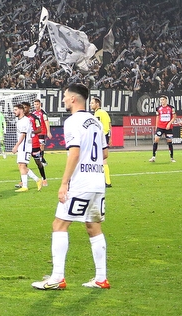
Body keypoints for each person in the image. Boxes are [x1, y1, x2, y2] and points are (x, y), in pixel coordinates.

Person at [32, 83, 109, 290]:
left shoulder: (73, 121)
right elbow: (105, 154)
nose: (64, 99)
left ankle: (57, 277)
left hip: (81, 183)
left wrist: (64, 183)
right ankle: (101, 278)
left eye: (65, 96)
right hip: (97, 182)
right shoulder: (95, 121)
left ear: (74, 99)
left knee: (59, 225)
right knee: (93, 227)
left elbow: (74, 153)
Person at [13, 103, 43, 192]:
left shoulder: (25, 120)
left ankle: (25, 186)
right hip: (22, 146)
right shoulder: (20, 120)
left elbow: (23, 134)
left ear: (21, 110)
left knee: (22, 165)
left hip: (25, 146)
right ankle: (37, 180)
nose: (14, 112)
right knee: (21, 166)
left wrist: (16, 145)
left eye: (15, 110)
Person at [90, 97, 113, 186]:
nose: (90, 104)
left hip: (100, 138)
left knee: (100, 160)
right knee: (102, 159)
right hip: (105, 136)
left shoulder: (98, 114)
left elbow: (97, 127)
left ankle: (106, 181)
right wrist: (110, 137)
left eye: (92, 103)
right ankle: (106, 181)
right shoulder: (105, 113)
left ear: (97, 104)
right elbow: (109, 125)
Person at [26, 102, 49, 188]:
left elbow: (39, 129)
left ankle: (44, 178)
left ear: (29, 108)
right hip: (26, 144)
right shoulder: (22, 118)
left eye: (25, 107)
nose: (24, 109)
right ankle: (23, 182)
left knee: (38, 163)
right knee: (23, 163)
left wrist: (31, 132)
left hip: (34, 143)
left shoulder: (35, 117)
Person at [149, 95, 176, 163]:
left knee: (169, 141)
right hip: (160, 127)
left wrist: (169, 124)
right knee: (156, 140)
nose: (162, 101)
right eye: (161, 100)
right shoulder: (158, 108)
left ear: (166, 100)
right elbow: (157, 117)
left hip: (168, 127)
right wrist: (156, 126)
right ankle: (153, 157)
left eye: (163, 100)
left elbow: (174, 117)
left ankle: (172, 158)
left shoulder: (171, 108)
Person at [32, 99, 51, 164]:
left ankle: (41, 159)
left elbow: (46, 122)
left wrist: (48, 131)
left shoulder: (43, 113)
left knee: (41, 145)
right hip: (36, 132)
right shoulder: (33, 113)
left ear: (40, 104)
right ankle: (42, 159)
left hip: (42, 131)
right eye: (35, 104)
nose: (36, 106)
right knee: (37, 146)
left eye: (37, 104)